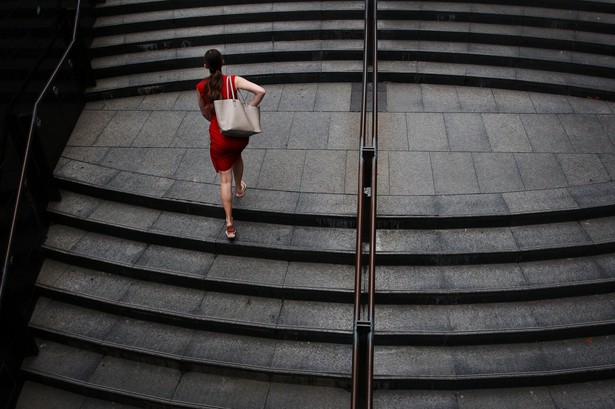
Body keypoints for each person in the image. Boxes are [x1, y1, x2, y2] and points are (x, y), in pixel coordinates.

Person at [196, 49, 266, 240]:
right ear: (223, 62)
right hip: (239, 134)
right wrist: (249, 109)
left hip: (219, 136)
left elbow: (204, 113)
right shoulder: (232, 80)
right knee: (237, 156)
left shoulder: (201, 86)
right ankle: (240, 188)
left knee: (223, 179)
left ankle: (229, 224)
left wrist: (215, 118)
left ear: (205, 66)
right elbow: (260, 91)